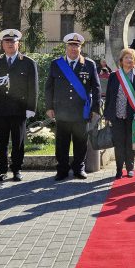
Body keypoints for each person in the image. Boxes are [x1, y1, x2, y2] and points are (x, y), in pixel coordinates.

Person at [46, 33, 101, 180]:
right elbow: (49, 88)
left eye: (76, 45)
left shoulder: (89, 64)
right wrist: (49, 107)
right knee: (61, 142)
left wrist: (95, 109)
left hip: (81, 111)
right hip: (62, 111)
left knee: (80, 142)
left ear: (80, 47)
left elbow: (96, 88)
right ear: (66, 46)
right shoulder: (56, 64)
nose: (73, 48)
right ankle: (62, 169)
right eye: (71, 45)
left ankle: (79, 168)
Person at [0, 29, 38, 182]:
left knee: (18, 142)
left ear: (18, 44)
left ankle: (17, 169)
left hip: (19, 109)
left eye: (13, 42)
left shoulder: (28, 63)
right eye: (7, 42)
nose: (10, 44)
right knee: (1, 142)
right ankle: (1, 170)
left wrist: (30, 107)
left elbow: (33, 87)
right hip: (0, 109)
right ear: (2, 44)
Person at [104, 48, 135, 179]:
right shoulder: (114, 75)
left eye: (132, 58)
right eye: (126, 58)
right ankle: (119, 169)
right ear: (121, 60)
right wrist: (107, 115)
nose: (129, 60)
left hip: (133, 116)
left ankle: (130, 168)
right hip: (117, 115)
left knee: (131, 142)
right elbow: (109, 96)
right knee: (118, 142)